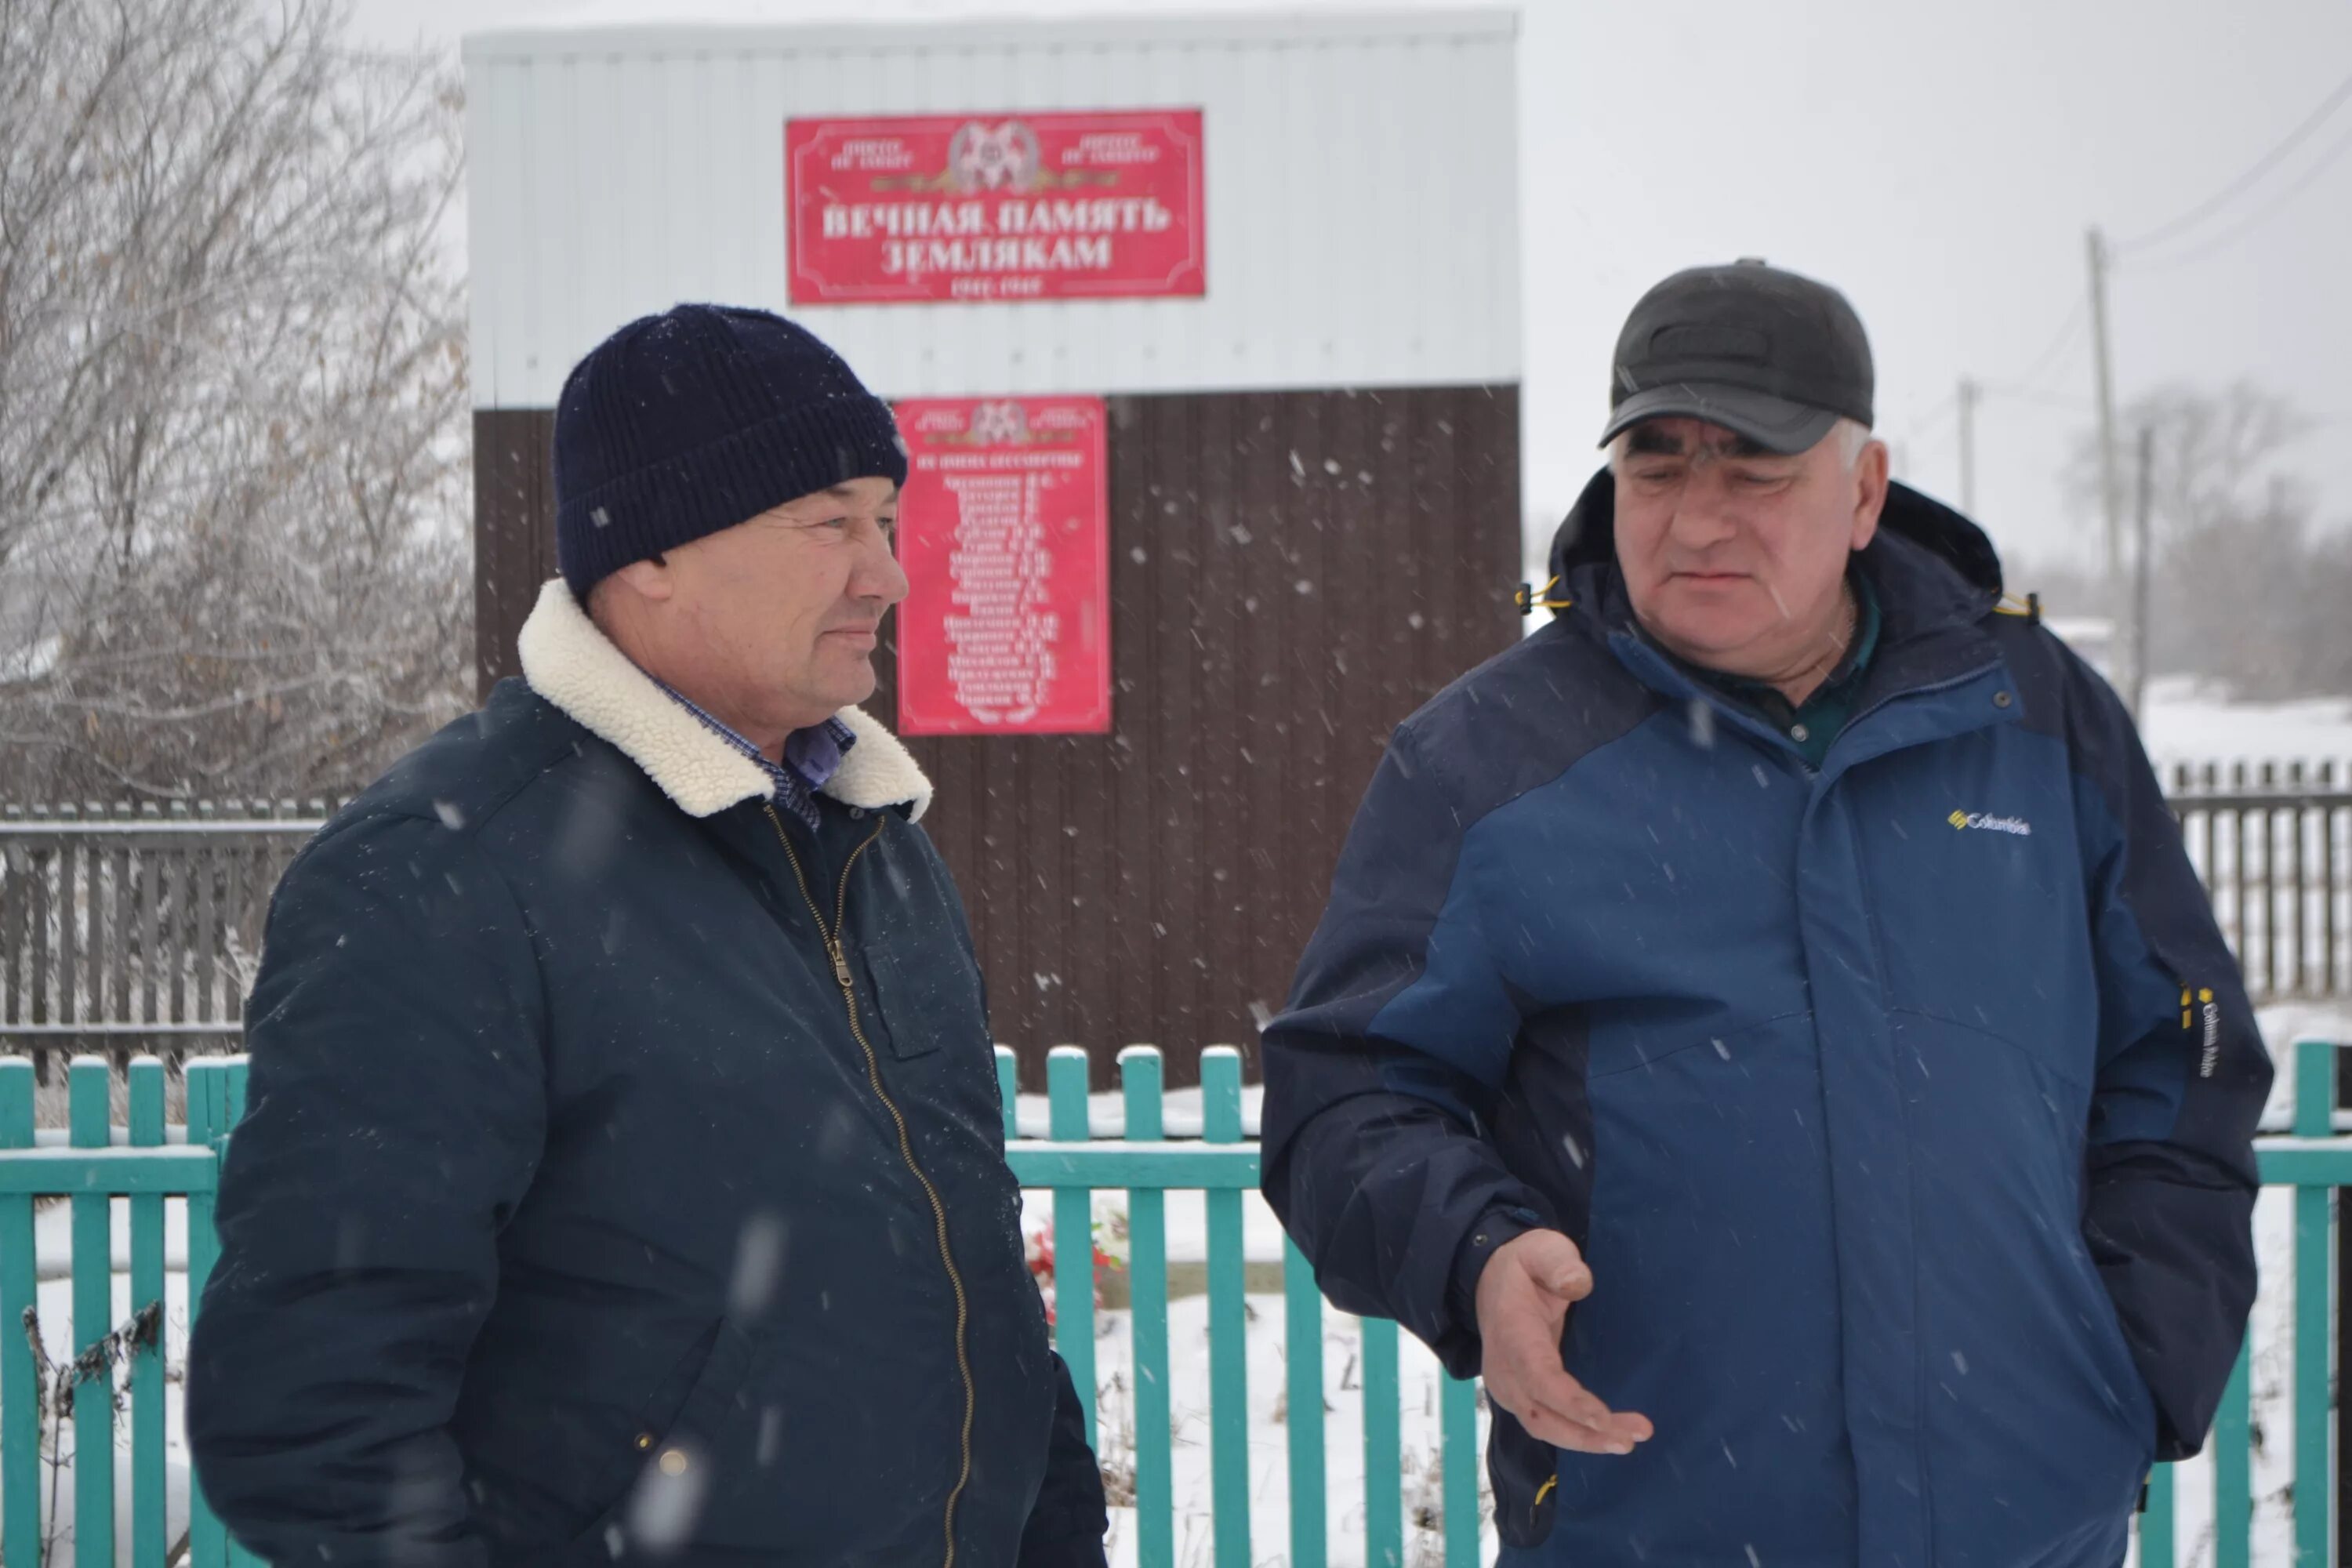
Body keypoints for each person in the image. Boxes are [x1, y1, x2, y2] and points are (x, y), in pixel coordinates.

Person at [1259, 260, 2269, 1565]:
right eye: (1658, 467)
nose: (1695, 521)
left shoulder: (2037, 718)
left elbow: (2181, 1054)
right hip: (1652, 1518)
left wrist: (2135, 1372)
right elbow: (1345, 1093)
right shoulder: (1485, 762)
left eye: (1755, 470)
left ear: (1863, 490)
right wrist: (1476, 1255)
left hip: (2027, 1527)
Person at [187, 305, 1108, 1567]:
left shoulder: (876, 847)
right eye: (830, 522)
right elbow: (314, 1410)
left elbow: (973, 1295)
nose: (886, 572)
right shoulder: (444, 873)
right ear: (654, 556)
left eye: (885, 522)